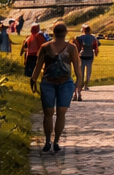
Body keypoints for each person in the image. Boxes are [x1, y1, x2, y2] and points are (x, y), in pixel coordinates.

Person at [31, 21, 81, 153]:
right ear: (66, 33)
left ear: (53, 32)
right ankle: (55, 141)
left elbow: (38, 66)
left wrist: (34, 79)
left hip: (51, 82)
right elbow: (77, 68)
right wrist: (79, 82)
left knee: (49, 114)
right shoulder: (70, 48)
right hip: (62, 82)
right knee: (60, 113)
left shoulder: (47, 47)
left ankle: (49, 141)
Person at [73, 26, 100, 100]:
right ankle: (85, 85)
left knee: (80, 74)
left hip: (81, 56)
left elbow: (75, 46)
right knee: (88, 72)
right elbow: (96, 47)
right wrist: (96, 52)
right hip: (90, 56)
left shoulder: (79, 37)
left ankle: (78, 90)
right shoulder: (93, 38)